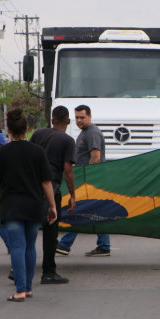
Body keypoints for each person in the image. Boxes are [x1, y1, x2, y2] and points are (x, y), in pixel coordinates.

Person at [0, 108, 57, 302]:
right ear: (27, 128)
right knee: (30, 246)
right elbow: (46, 182)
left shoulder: (2, 153)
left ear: (8, 130)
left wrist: (1, 199)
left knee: (17, 246)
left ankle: (19, 290)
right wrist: (52, 206)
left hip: (11, 206)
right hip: (34, 205)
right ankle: (27, 288)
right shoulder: (37, 151)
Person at [30, 105, 77, 284]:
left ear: (52, 120)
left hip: (32, 186)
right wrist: (72, 195)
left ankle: (17, 268)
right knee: (50, 231)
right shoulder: (67, 140)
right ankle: (48, 272)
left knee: (30, 228)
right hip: (51, 188)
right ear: (68, 121)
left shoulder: (38, 134)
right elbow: (68, 170)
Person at [56, 104, 111, 257]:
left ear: (90, 117)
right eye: (77, 117)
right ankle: (104, 246)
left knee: (80, 210)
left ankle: (65, 244)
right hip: (87, 179)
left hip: (91, 180)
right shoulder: (84, 132)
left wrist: (86, 177)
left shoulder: (92, 133)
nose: (79, 120)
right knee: (95, 213)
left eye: (82, 117)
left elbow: (96, 157)